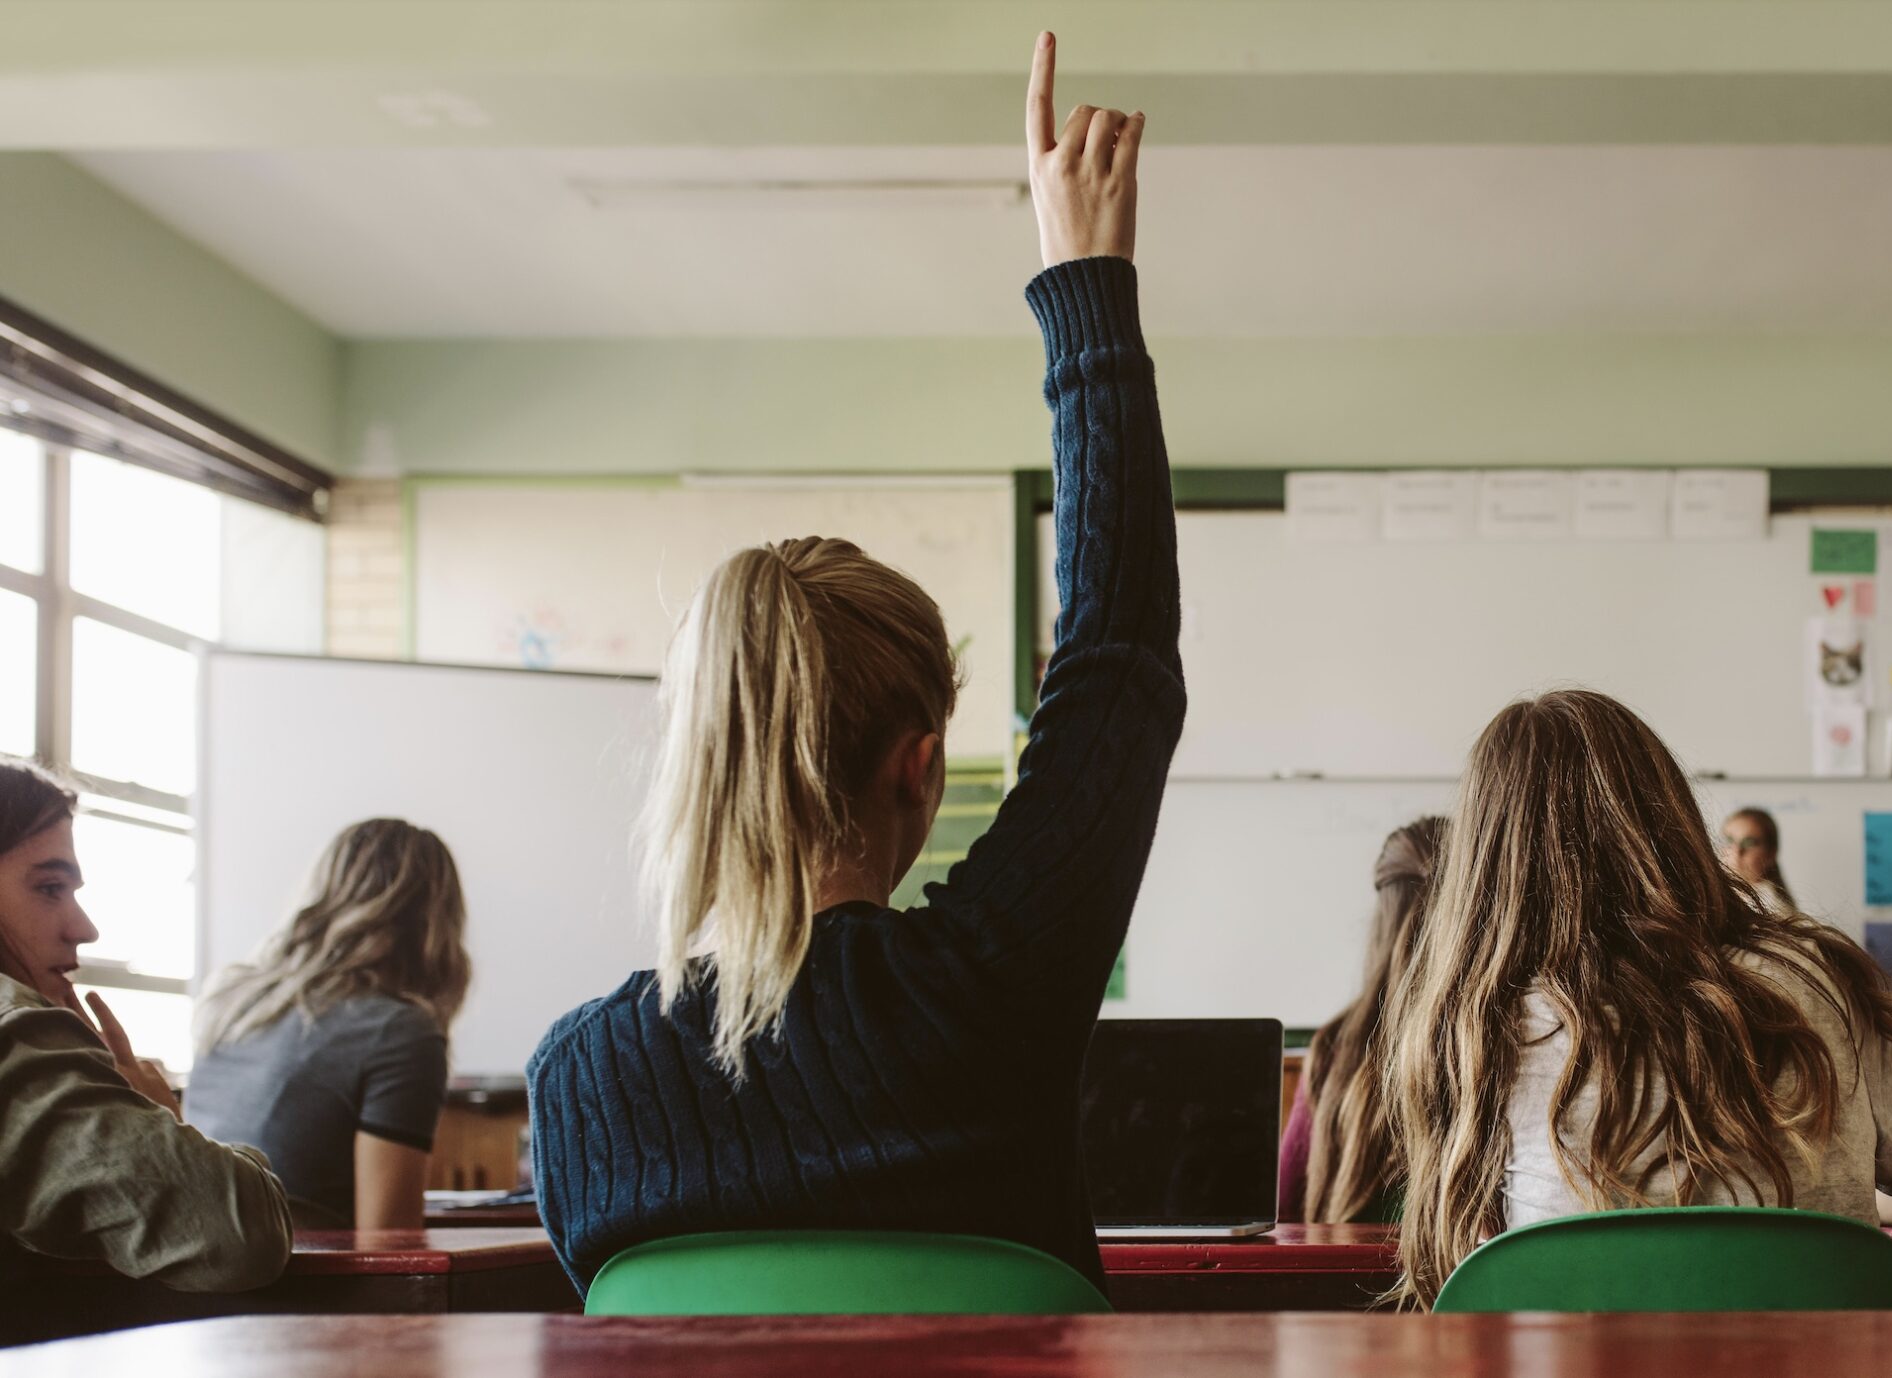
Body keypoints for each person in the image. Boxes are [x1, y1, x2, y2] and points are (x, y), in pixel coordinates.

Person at [527, 33, 1180, 1297]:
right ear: (918, 766)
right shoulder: (986, 991)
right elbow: (1119, 655)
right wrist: (1085, 277)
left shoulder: (577, 1082)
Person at [1384, 691, 1892, 1306]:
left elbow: (1477, 1276)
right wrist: (1874, 1201)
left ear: (1483, 860)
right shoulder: (1814, 979)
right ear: (1671, 818)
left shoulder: (1479, 1024)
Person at [0, 757, 291, 1294]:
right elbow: (238, 1237)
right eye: (48, 888)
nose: (83, 929)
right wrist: (162, 1119)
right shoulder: (18, 1033)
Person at [186, 819, 470, 1230]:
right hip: (298, 1283)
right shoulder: (401, 1031)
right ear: (436, 920)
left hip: (190, 1274)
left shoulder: (231, 1000)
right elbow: (388, 1242)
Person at [1278, 816, 1447, 1224]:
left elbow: (1282, 1206)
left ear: (1381, 917)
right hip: (1456, 1283)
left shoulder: (1336, 1045)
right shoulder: (1489, 1036)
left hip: (1341, 1281)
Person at [1720, 807, 1798, 914]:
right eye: (1729, 840)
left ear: (1771, 854)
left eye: (1749, 843)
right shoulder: (1719, 895)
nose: (1736, 851)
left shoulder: (1772, 909)